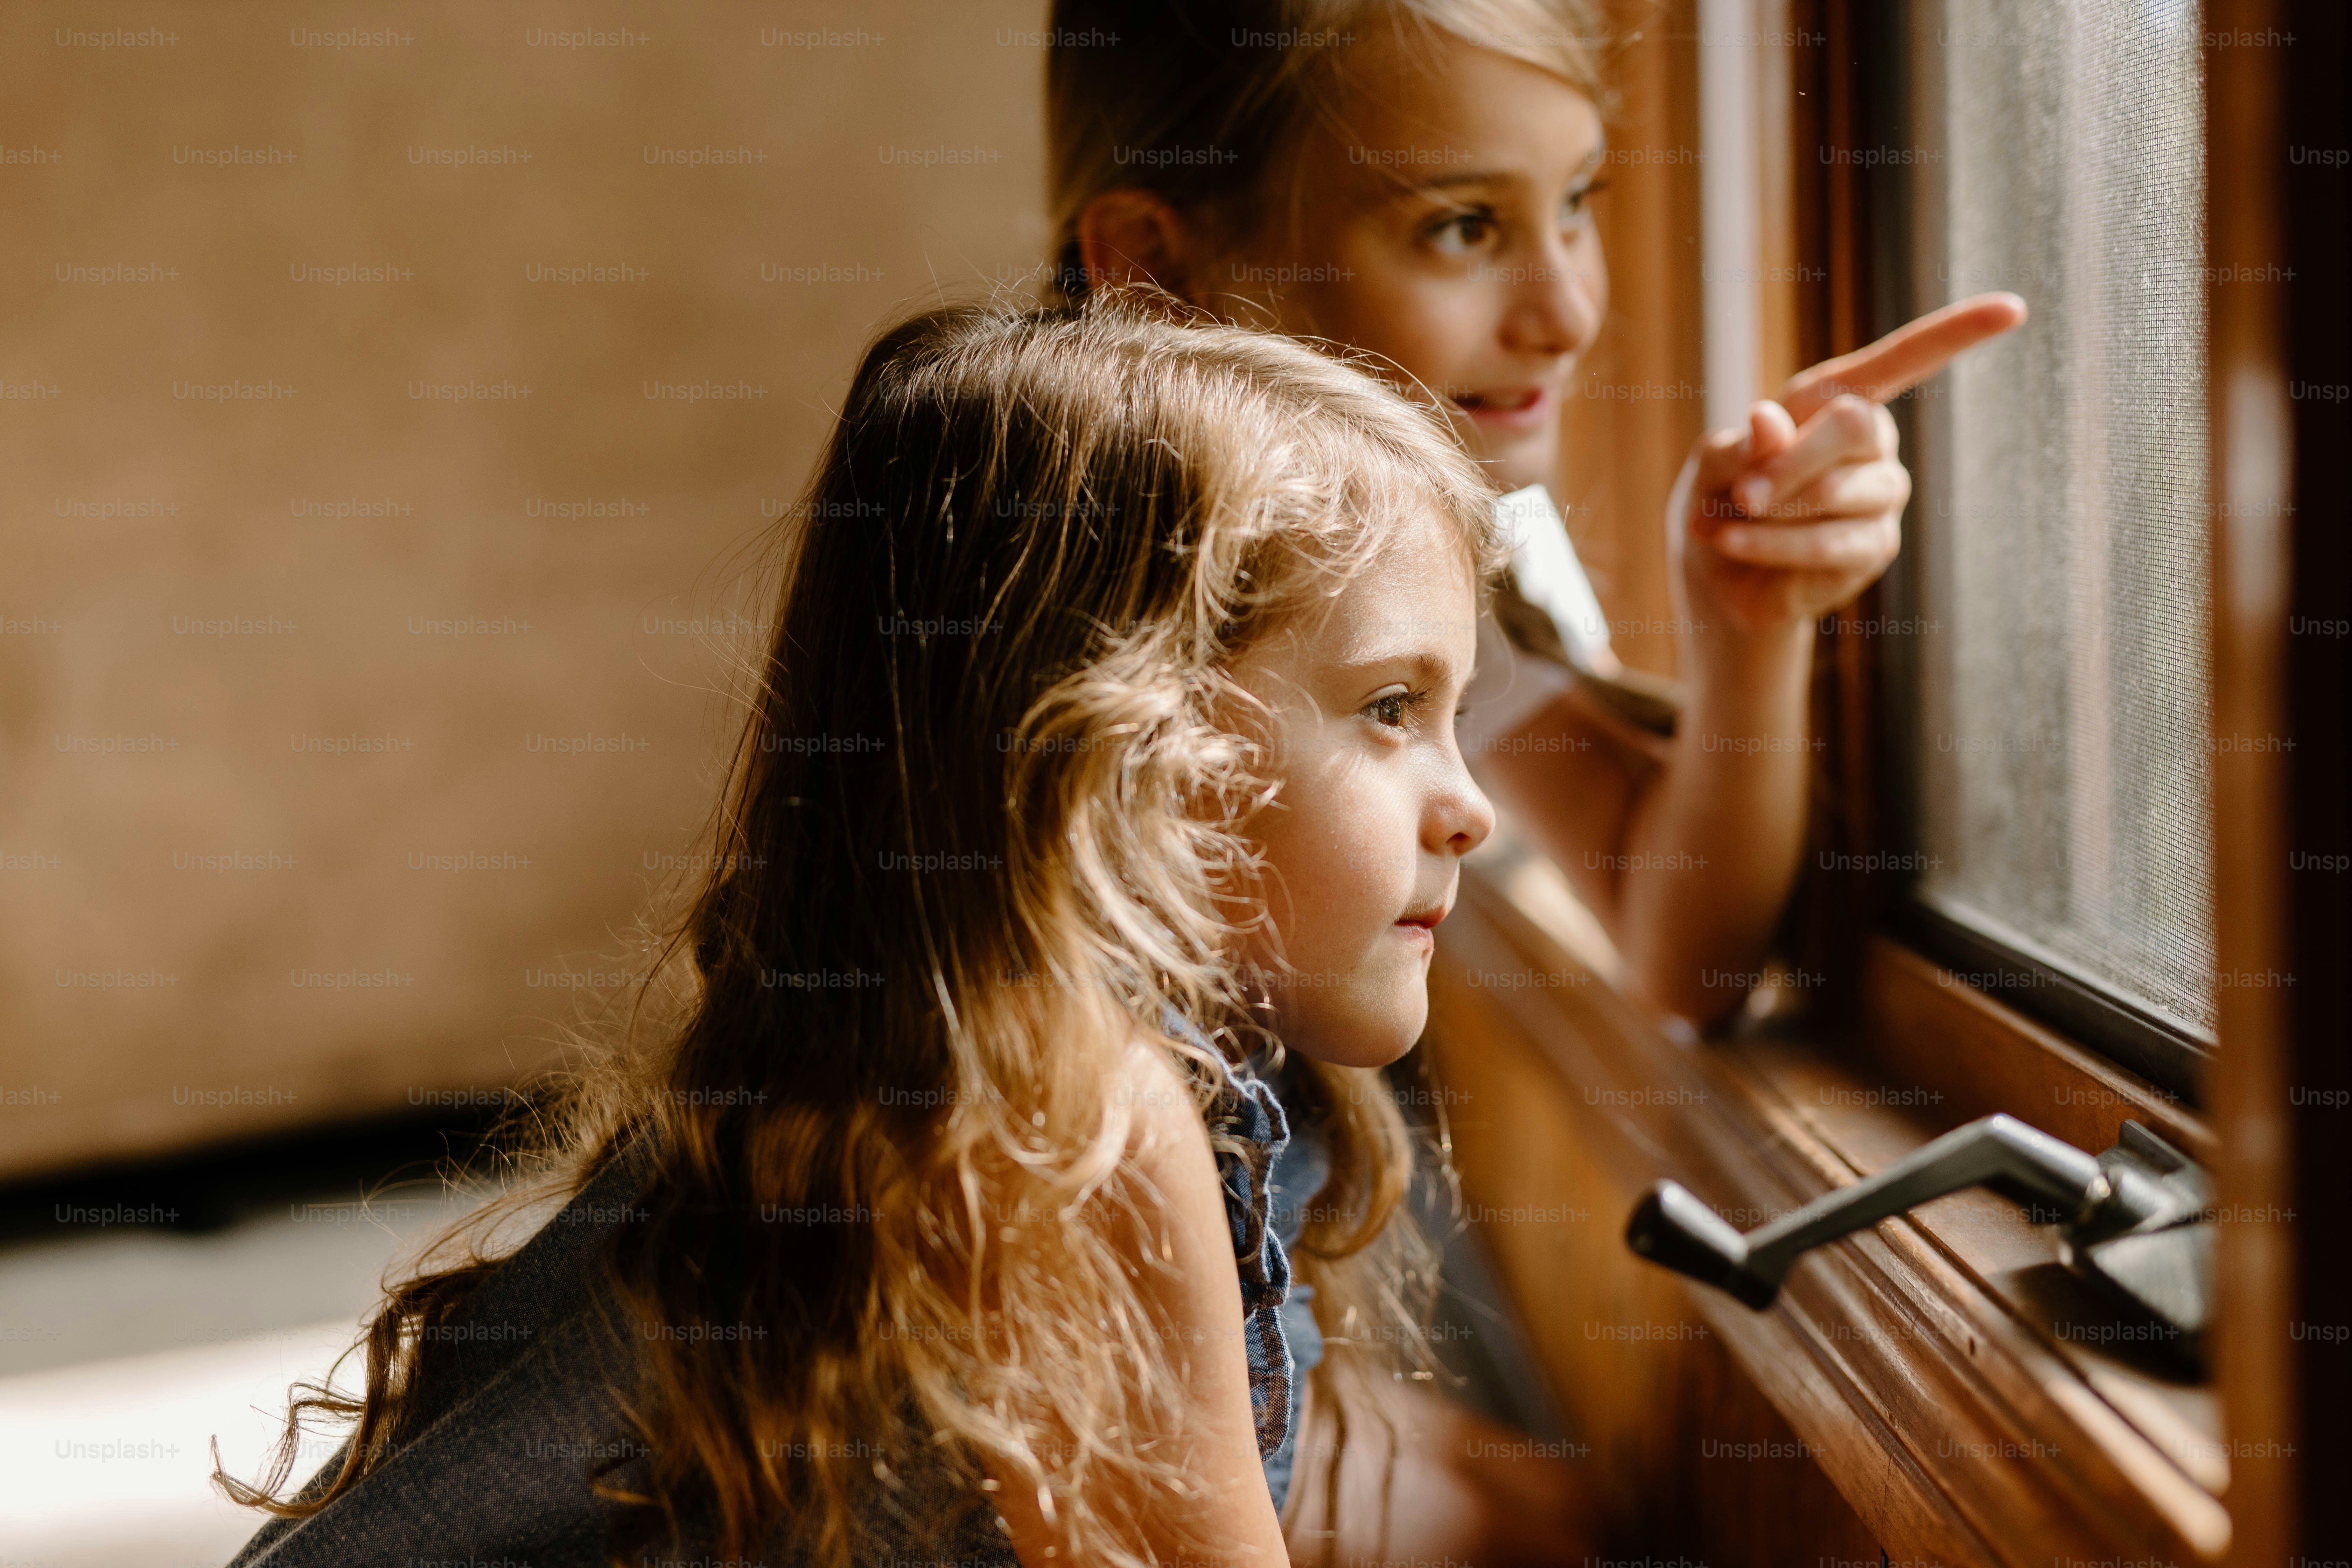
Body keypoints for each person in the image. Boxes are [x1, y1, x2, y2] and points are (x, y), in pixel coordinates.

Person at [219, 300, 1544, 1567]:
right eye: (1388, 707)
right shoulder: (1074, 1114)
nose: (1469, 807)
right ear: (1127, 748)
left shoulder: (989, 1050)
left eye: (1453, 713)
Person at [1043, 1, 2025, 1559]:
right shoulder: (1045, 599)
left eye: (1581, 203)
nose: (1568, 308)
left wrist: (1746, 629)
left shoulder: (1400, 547)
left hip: (1222, 1284)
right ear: (1156, 267)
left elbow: (1680, 945)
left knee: (1556, 1517)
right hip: (1001, 1320)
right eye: (1461, 226)